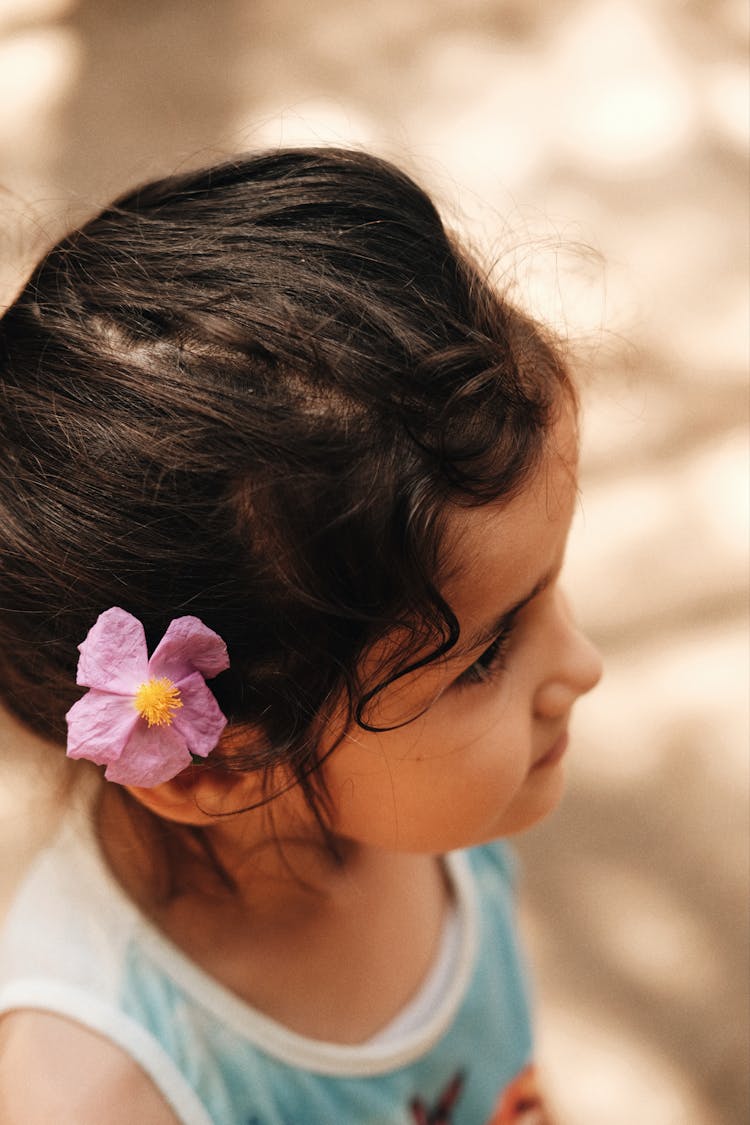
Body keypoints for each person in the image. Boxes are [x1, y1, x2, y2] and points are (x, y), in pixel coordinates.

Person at [0, 148, 602, 1125]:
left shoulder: (430, 814)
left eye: (548, 593)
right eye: (488, 653)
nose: (582, 665)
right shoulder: (108, 1085)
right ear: (210, 765)